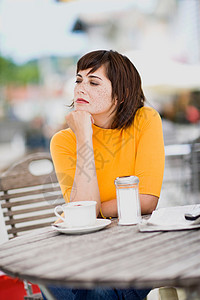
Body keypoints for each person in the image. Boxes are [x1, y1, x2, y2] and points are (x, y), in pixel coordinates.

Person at [47, 50, 165, 300]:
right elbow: (83, 210)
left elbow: (147, 200)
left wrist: (96, 210)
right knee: (66, 279)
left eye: (93, 82)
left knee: (99, 289)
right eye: (78, 80)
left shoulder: (145, 120)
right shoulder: (64, 141)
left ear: (120, 94)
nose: (80, 88)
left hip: (134, 248)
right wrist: (84, 139)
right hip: (82, 252)